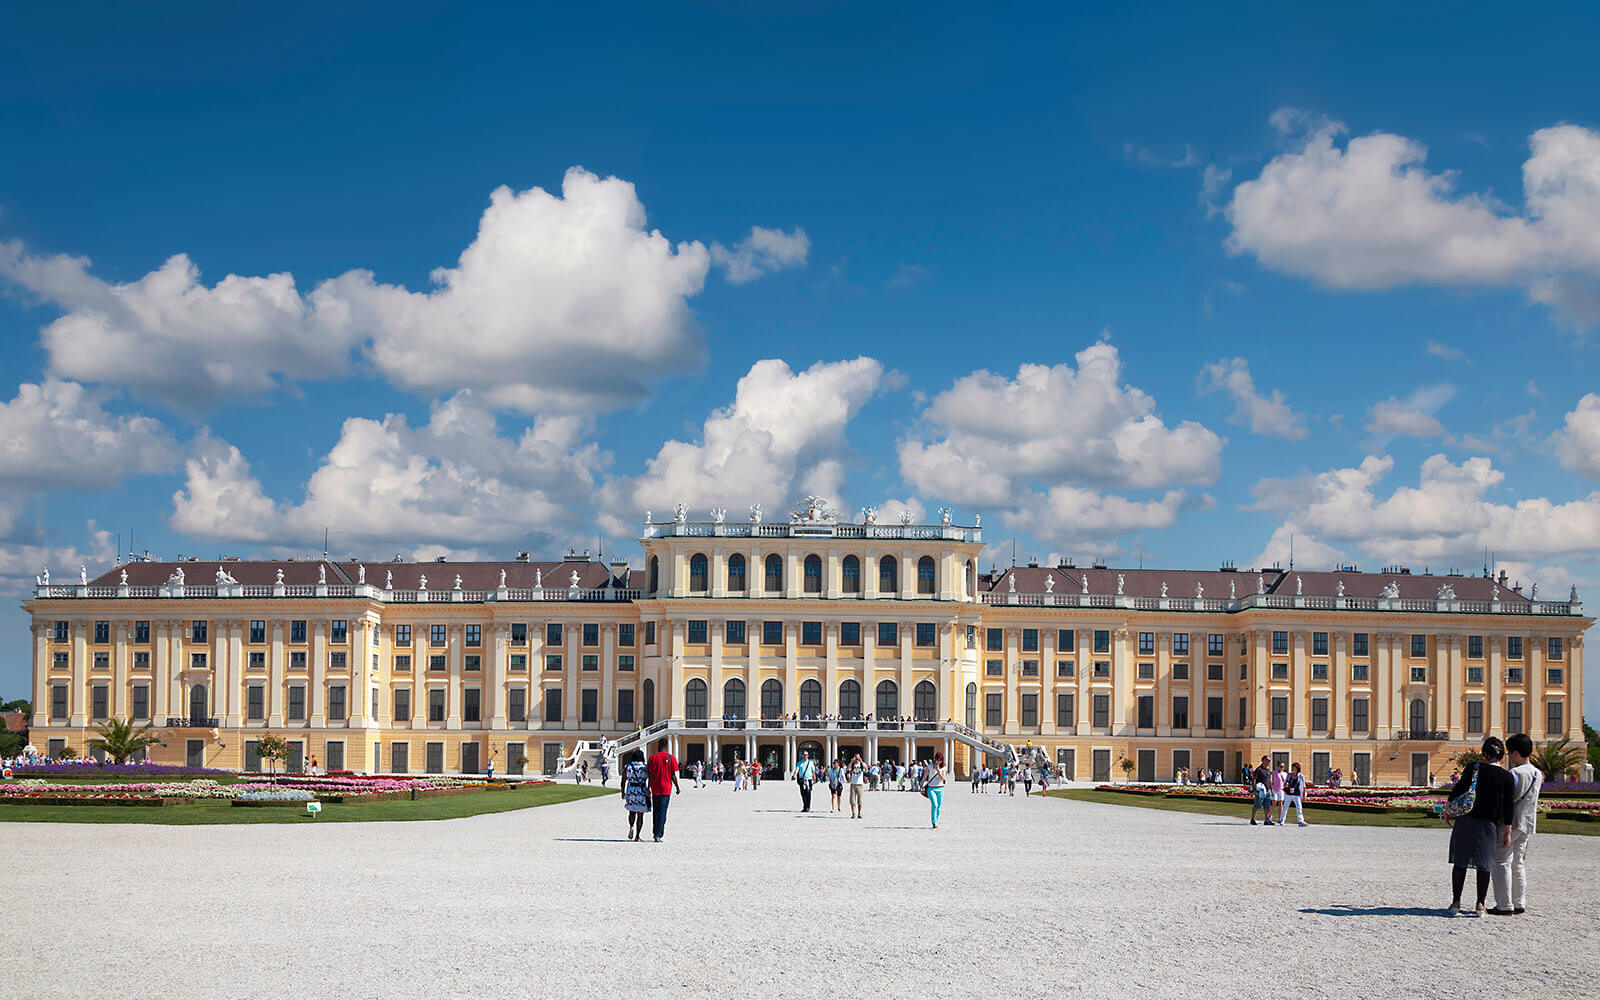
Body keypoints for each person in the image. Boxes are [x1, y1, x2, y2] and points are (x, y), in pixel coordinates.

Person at [1445, 736, 1515, 916]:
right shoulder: (1506, 777)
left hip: (1465, 820)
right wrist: (1507, 832)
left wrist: (1448, 808)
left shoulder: (1473, 768)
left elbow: (1459, 789)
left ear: (1484, 754)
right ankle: (1480, 904)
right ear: (1502, 756)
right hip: (1488, 825)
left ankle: (1455, 902)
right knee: (1484, 864)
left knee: (1460, 862)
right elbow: (1508, 807)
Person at [1490, 732, 1543, 916]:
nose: (1509, 756)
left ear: (1515, 752)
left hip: (1510, 824)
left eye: (1510, 752)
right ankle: (1519, 902)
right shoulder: (1537, 773)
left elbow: (1507, 800)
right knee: (1518, 864)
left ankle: (1504, 904)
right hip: (1528, 823)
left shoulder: (1514, 773)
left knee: (1502, 862)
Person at [645, 739, 681, 843]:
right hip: (666, 788)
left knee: (656, 811)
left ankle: (655, 833)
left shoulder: (652, 758)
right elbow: (673, 775)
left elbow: (650, 775)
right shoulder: (671, 758)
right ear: (666, 746)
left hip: (655, 787)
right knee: (662, 811)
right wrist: (677, 787)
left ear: (658, 745)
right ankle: (659, 834)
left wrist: (648, 788)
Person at [621, 752, 650, 842]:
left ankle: (631, 826)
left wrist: (623, 792)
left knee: (631, 812)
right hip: (641, 790)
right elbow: (651, 778)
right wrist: (648, 789)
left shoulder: (628, 767)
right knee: (640, 815)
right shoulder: (645, 767)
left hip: (631, 790)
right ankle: (637, 836)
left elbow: (623, 781)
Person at [1278, 762, 1308, 827]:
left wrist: (1304, 795)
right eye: (1292, 767)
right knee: (1285, 807)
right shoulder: (1289, 775)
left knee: (1299, 807)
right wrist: (1286, 785)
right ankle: (1282, 820)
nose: (1292, 769)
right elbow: (1286, 782)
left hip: (1297, 794)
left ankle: (1301, 821)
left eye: (1293, 767)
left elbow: (1303, 786)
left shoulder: (1301, 776)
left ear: (1297, 768)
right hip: (1289, 793)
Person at [1250, 757, 1273, 826]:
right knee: (1257, 805)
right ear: (1263, 761)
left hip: (1267, 790)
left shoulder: (1268, 770)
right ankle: (1252, 818)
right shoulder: (1259, 769)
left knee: (1267, 806)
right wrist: (1254, 789)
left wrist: (1271, 790)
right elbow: (1254, 779)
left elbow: (1269, 780)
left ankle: (1267, 820)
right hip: (1260, 790)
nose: (1268, 762)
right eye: (1267, 760)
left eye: (1269, 760)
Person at [926, 753, 946, 829]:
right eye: (937, 760)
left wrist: (938, 770)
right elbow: (925, 775)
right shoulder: (930, 766)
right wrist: (921, 784)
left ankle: (936, 821)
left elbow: (942, 778)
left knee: (939, 806)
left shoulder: (943, 767)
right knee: (934, 804)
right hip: (931, 788)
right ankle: (934, 822)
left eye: (940, 760)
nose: (938, 762)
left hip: (940, 788)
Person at [848, 753, 866, 819]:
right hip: (853, 784)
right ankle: (853, 813)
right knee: (852, 800)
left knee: (860, 800)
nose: (856, 759)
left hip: (860, 784)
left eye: (857, 757)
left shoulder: (861, 764)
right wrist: (851, 761)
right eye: (855, 757)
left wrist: (861, 761)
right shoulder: (852, 764)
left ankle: (859, 813)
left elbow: (866, 768)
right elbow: (848, 769)